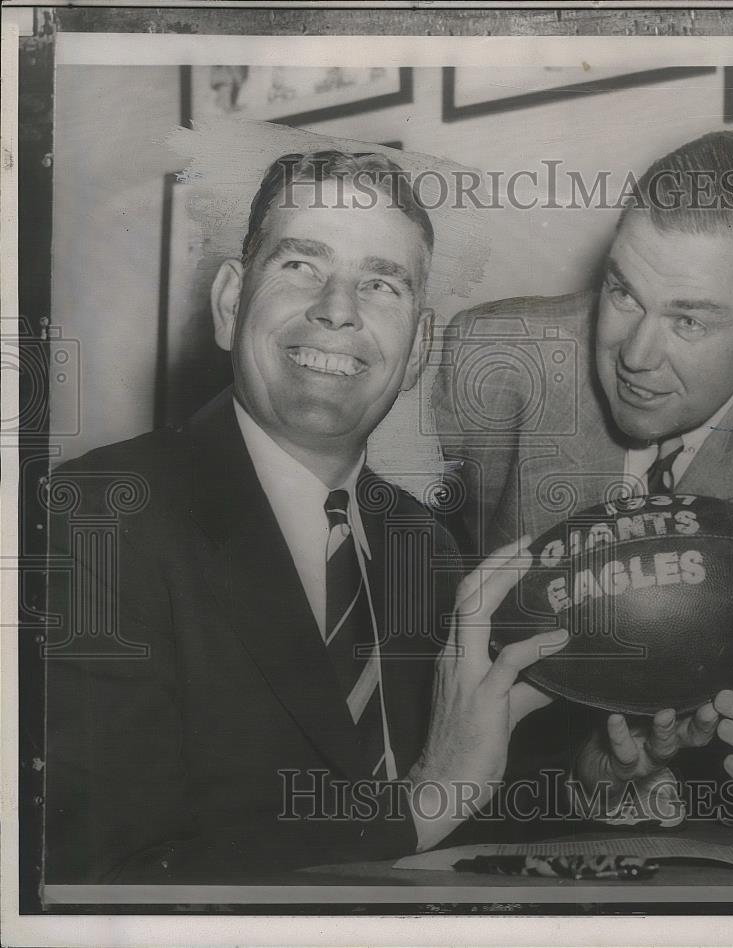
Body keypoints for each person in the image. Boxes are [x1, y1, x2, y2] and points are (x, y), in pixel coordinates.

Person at [44, 150, 565, 883]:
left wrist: (620, 782)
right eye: (299, 266)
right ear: (230, 303)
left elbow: (477, 816)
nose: (338, 309)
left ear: (417, 349)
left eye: (381, 284)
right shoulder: (92, 518)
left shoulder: (429, 545)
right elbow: (92, 875)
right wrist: (422, 803)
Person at [434, 131, 733, 826]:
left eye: (689, 320)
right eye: (624, 293)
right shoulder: (498, 362)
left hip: (662, 811)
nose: (636, 355)